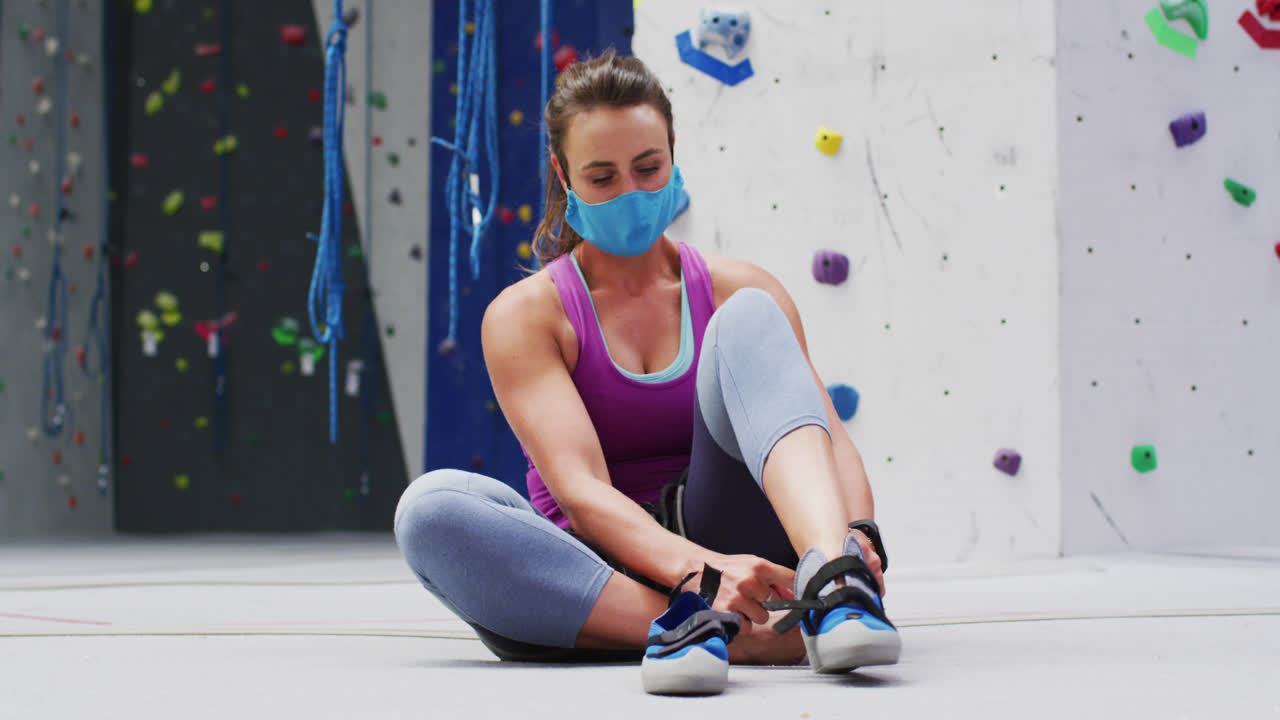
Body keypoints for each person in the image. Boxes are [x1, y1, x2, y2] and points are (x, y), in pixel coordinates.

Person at [394, 50, 899, 675]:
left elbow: (828, 440)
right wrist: (702, 574)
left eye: (648, 167)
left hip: (734, 537)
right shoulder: (526, 315)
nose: (629, 192)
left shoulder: (735, 288)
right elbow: (580, 492)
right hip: (600, 572)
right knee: (430, 510)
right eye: (602, 177)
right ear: (562, 174)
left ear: (673, 154)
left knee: (750, 311)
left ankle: (835, 587)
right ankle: (731, 631)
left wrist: (858, 535)